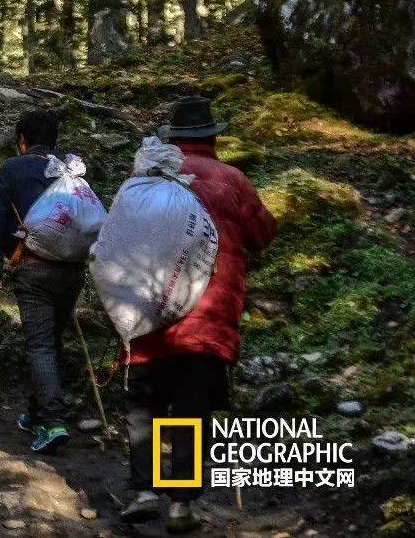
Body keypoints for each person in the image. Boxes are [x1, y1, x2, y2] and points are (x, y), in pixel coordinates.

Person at [120, 96, 277, 533]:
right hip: (206, 317)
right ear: (212, 137)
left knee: (145, 406)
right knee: (190, 407)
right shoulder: (232, 180)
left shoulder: (146, 178)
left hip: (150, 311)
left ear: (175, 139)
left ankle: (144, 490)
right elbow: (263, 233)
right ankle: (180, 504)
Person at [0, 109, 83, 454]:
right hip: (71, 269)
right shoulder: (72, 171)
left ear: (22, 140)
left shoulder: (14, 167)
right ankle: (36, 411)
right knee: (51, 339)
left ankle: (53, 421)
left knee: (40, 344)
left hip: (33, 266)